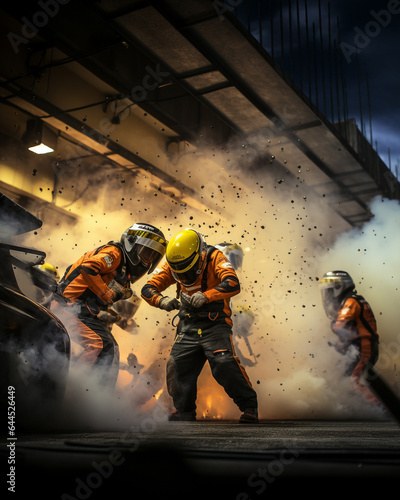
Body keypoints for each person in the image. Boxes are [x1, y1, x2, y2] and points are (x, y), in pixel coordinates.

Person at [141, 228, 258, 423]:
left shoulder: (215, 257)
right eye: (178, 270)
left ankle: (249, 408)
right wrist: (161, 300)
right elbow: (147, 288)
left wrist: (206, 296)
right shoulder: (174, 263)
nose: (183, 274)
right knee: (176, 365)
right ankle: (184, 411)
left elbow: (233, 283)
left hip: (216, 324)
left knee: (224, 363)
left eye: (187, 268)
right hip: (188, 324)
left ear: (200, 256)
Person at [57, 223, 167, 389]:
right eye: (146, 253)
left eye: (152, 257)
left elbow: (104, 302)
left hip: (80, 310)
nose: (147, 260)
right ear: (131, 243)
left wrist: (118, 314)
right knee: (101, 345)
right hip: (68, 306)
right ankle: (77, 393)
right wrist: (107, 293)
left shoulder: (123, 269)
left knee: (110, 347)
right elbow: (88, 267)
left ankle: (97, 398)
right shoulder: (114, 253)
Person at [319, 270, 380, 405]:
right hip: (361, 346)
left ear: (338, 288)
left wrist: (334, 325)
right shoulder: (352, 300)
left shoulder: (351, 302)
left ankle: (381, 409)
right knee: (339, 376)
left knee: (353, 380)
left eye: (329, 291)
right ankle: (353, 407)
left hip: (364, 347)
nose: (327, 296)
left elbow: (340, 326)